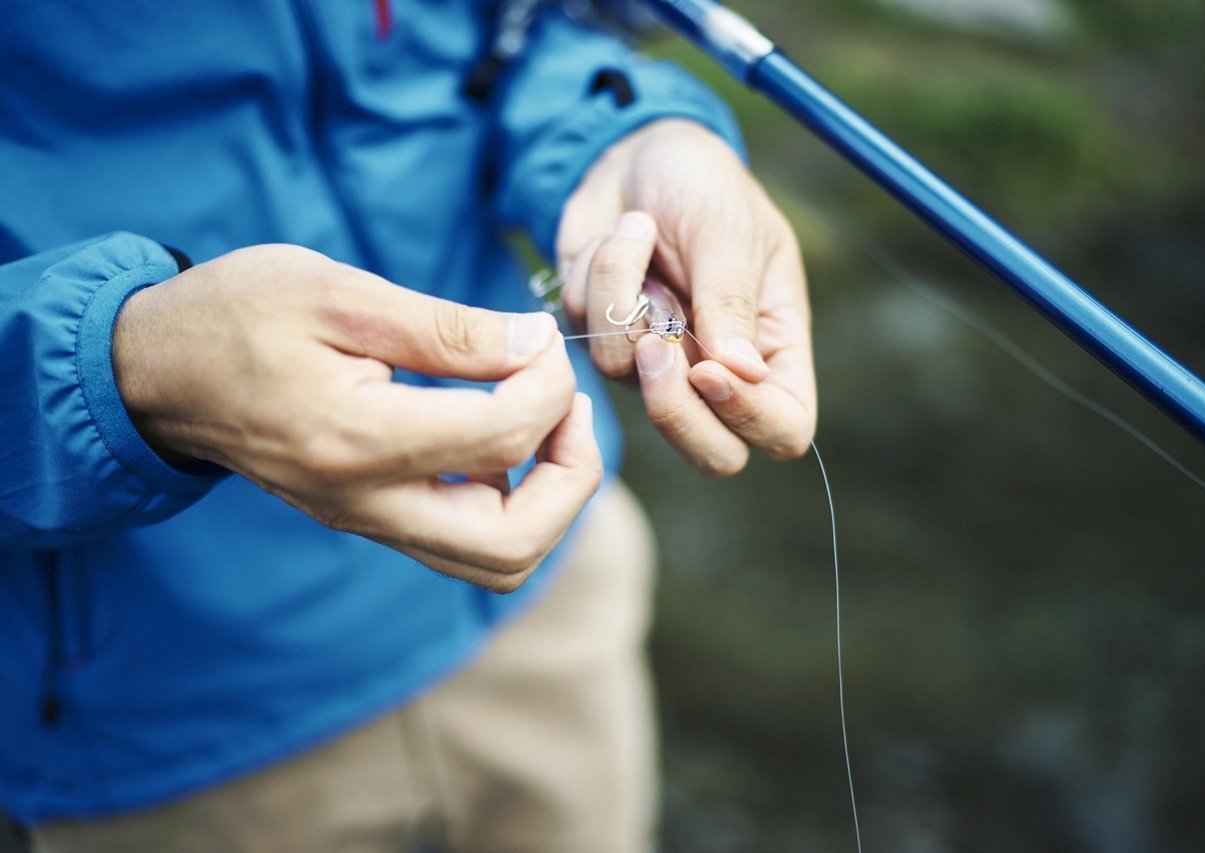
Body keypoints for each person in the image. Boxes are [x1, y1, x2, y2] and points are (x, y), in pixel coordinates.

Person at [0, 1, 815, 850]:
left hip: (561, 599)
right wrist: (123, 366)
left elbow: (509, 30)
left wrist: (624, 133)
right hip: (156, 721)